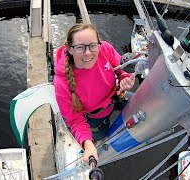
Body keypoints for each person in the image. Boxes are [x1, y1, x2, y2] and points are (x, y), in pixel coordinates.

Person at [53, 23, 135, 162]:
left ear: (98, 44)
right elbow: (75, 120)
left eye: (92, 45)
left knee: (140, 102)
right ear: (69, 48)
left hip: (116, 97)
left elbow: (121, 67)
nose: (88, 53)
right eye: (80, 47)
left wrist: (125, 78)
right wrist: (88, 144)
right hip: (94, 118)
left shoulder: (105, 49)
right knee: (101, 136)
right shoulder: (62, 83)